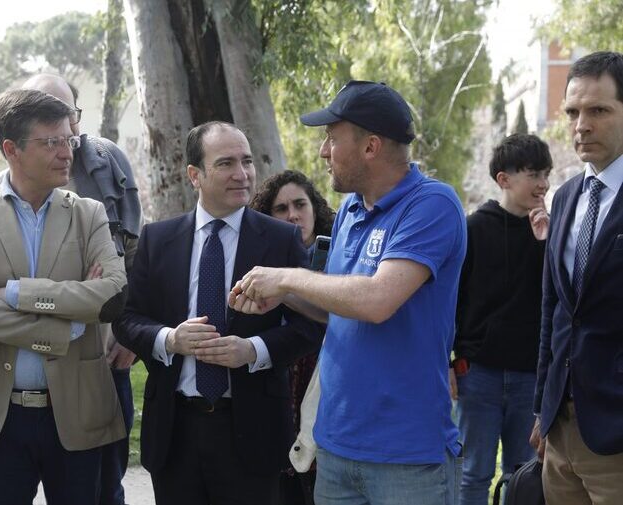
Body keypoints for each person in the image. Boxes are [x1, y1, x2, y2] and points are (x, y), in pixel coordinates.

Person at [229, 81, 466, 505]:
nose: (323, 151)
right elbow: (339, 307)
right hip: (337, 449)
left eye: (332, 138)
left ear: (371, 146)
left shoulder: (433, 204)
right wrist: (285, 298)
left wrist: (285, 279)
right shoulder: (351, 212)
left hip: (406, 457)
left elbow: (376, 301)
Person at [113, 121, 322, 505]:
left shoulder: (281, 239)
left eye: (247, 161)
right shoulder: (158, 239)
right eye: (226, 163)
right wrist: (169, 340)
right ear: (195, 174)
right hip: (175, 432)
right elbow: (128, 319)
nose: (242, 174)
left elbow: (310, 326)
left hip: (251, 431)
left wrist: (253, 350)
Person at [0, 89, 127, 505]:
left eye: (69, 140)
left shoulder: (89, 213)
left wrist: (12, 292)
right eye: (52, 142)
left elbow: (112, 295)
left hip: (78, 414)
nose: (67, 153)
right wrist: (67, 324)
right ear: (12, 150)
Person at [0, 73, 142, 505]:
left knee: (102, 487)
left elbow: (130, 258)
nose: (66, 134)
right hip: (19, 377)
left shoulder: (107, 162)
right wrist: (73, 307)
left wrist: (127, 330)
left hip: (104, 355)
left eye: (69, 117)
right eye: (50, 127)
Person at [529, 50, 623, 505]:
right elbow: (556, 310)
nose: (581, 125)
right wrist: (541, 410)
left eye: (599, 111)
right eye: (572, 112)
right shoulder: (565, 198)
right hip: (559, 430)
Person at [453, 133, 551, 505]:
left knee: (525, 475)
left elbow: (558, 302)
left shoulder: (551, 232)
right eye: (531, 173)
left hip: (531, 376)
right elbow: (455, 300)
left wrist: (546, 244)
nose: (542, 183)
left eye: (545, 173)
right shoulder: (474, 228)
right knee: (473, 473)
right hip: (478, 373)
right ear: (504, 179)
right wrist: (451, 359)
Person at [249, 169, 334, 505]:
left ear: (315, 208)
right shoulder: (259, 263)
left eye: (300, 204)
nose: (293, 214)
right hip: (277, 386)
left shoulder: (341, 256)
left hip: (324, 385)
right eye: (280, 208)